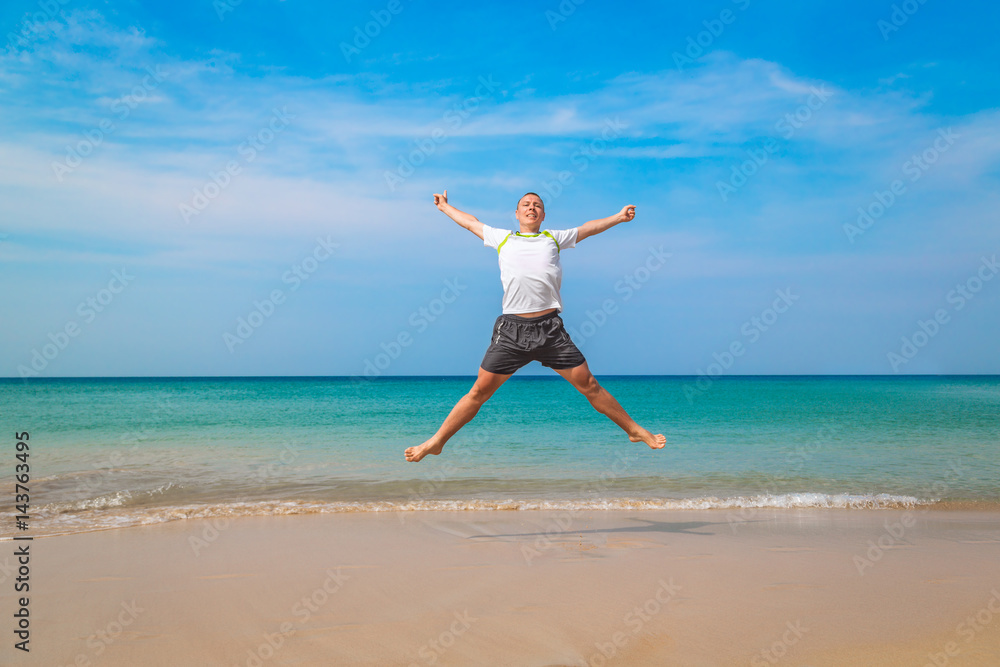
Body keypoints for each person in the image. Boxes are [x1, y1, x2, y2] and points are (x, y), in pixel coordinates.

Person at [404, 191, 666, 462]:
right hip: (511, 331)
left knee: (589, 384)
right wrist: (445, 207)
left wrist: (619, 217)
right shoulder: (502, 237)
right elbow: (471, 222)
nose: (532, 208)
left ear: (543, 214)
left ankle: (634, 431)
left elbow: (588, 228)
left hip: (550, 330)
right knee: (478, 392)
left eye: (537, 205)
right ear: (517, 214)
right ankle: (436, 442)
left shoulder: (553, 238)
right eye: (526, 205)